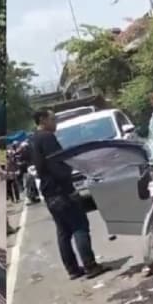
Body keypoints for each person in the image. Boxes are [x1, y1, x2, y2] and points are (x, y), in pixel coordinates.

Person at [29, 109, 105, 280]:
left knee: (63, 232)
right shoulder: (47, 138)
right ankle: (90, 266)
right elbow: (56, 164)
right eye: (52, 119)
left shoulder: (33, 139)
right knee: (80, 226)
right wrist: (68, 172)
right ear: (42, 119)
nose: (55, 122)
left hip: (49, 193)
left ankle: (72, 269)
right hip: (61, 190)